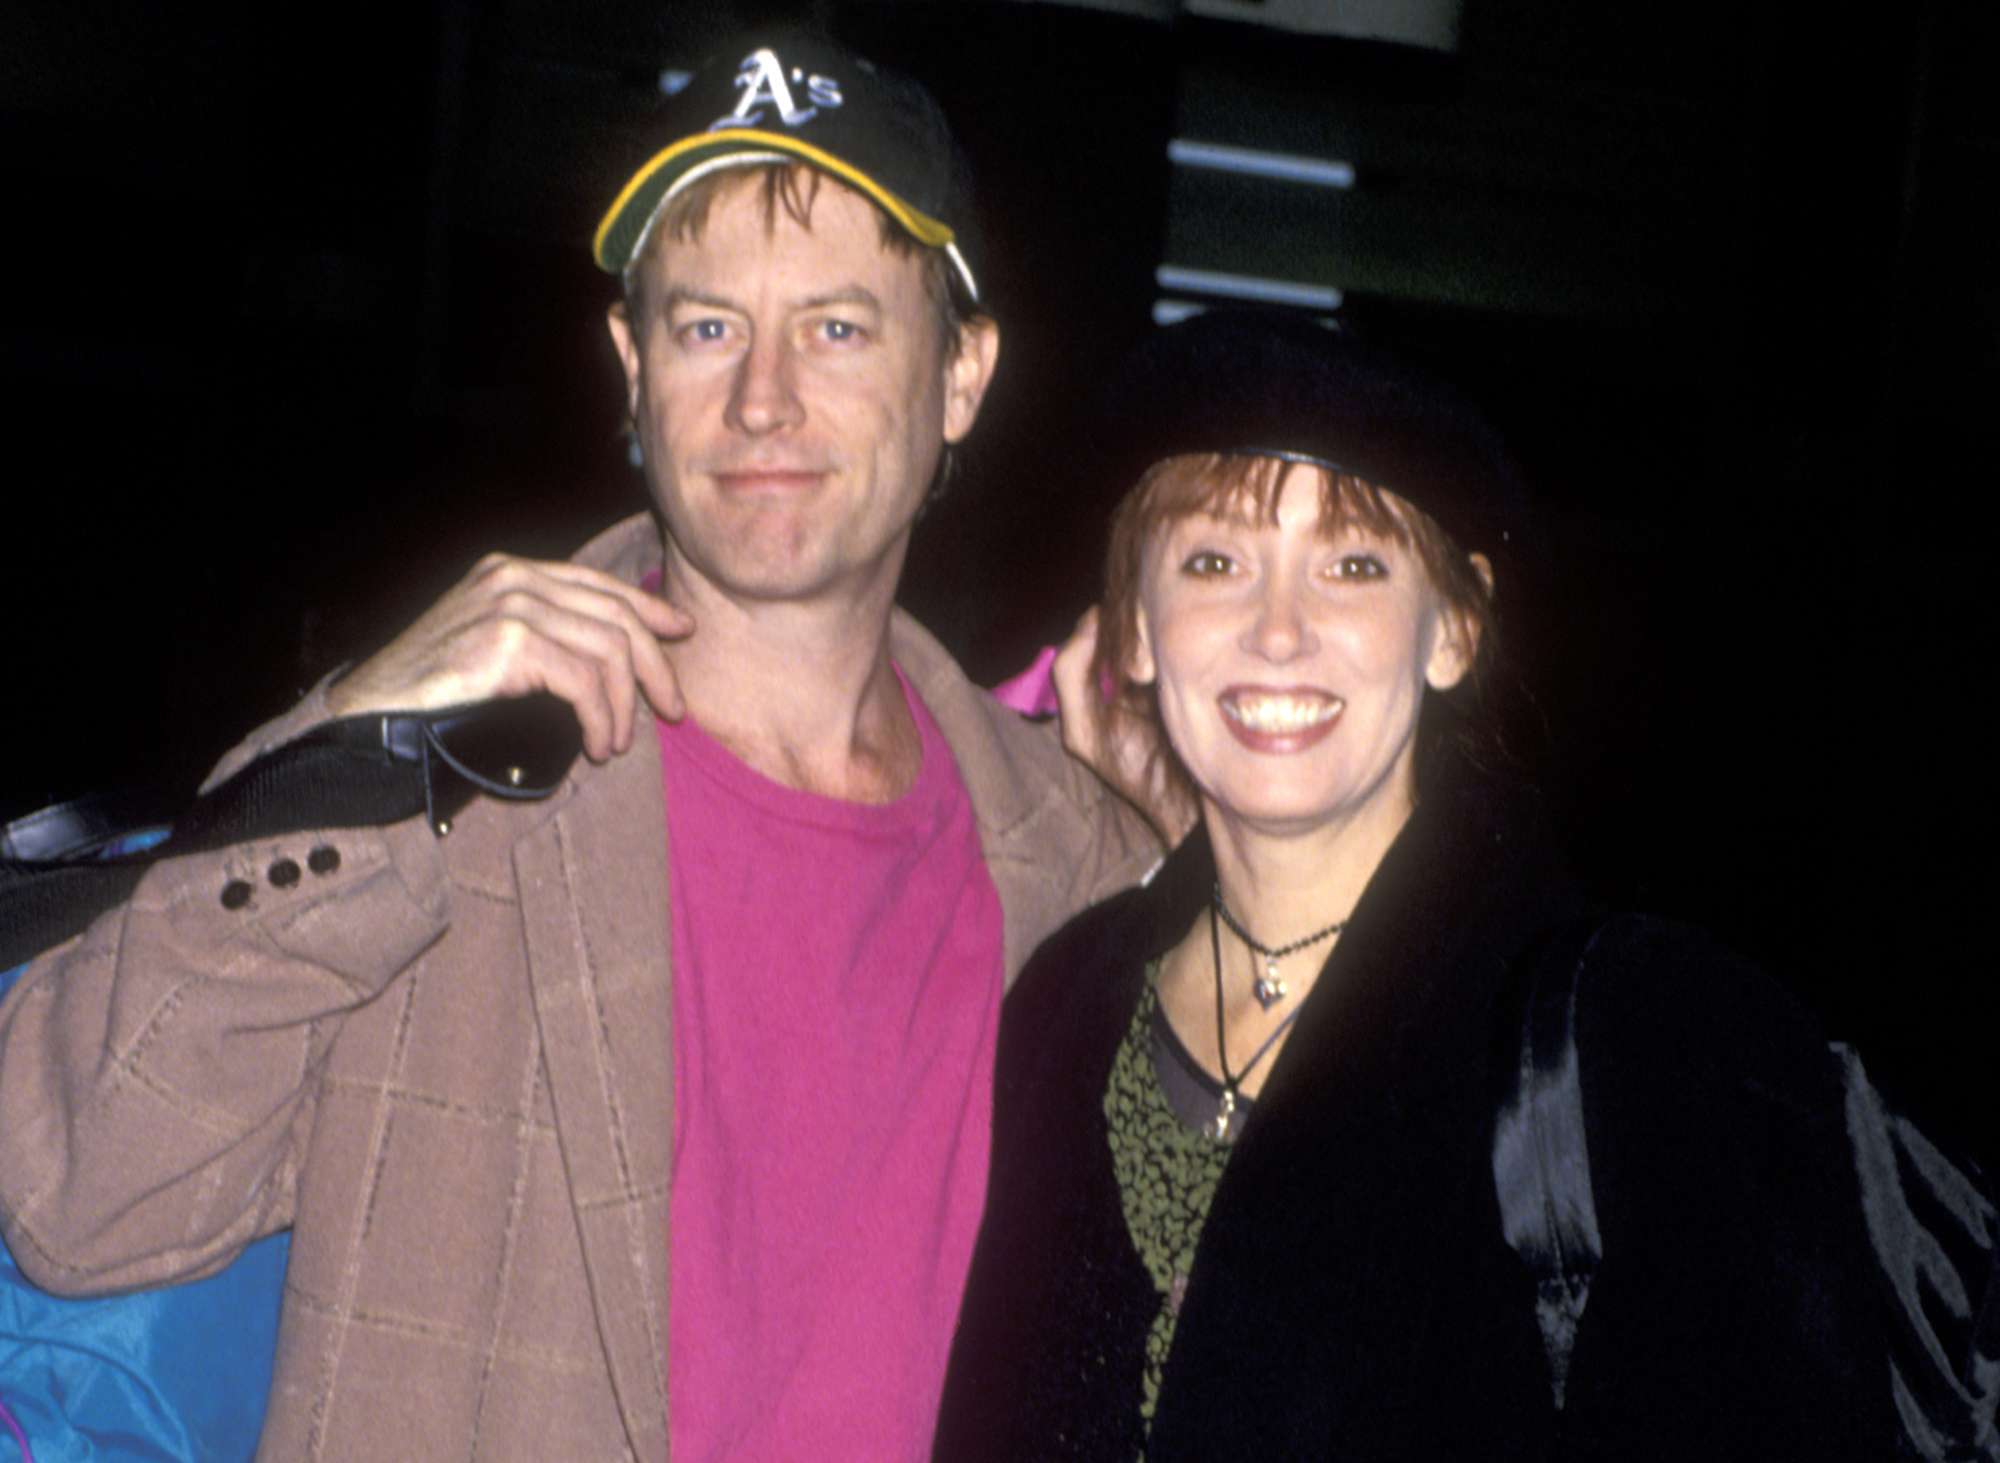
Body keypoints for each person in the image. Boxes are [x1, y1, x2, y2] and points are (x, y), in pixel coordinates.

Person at [0, 30, 1158, 1461]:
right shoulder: (449, 788)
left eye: (840, 328)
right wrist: (359, 742)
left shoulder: (1085, 867)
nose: (764, 400)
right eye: (707, 325)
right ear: (630, 364)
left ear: (963, 374)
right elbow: (76, 1193)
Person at [933, 312, 1906, 1459]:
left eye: (1350, 565)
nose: (1277, 631)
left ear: (1453, 628)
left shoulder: (1623, 1044)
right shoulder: (1060, 1006)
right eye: (1213, 560)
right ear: (1134, 627)